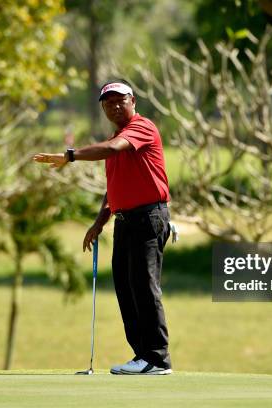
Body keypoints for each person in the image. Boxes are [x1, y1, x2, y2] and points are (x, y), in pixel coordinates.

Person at [33, 79, 173, 375]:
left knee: (144, 288)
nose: (115, 105)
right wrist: (99, 223)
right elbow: (115, 189)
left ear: (133, 101)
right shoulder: (116, 138)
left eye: (120, 100)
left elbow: (112, 148)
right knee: (126, 287)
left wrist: (70, 156)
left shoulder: (140, 128)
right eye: (108, 102)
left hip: (148, 218)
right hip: (125, 221)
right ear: (104, 108)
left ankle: (158, 358)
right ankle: (142, 356)